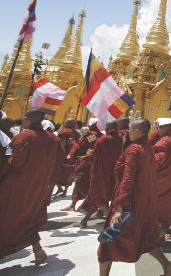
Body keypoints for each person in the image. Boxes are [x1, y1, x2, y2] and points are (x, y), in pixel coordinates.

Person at [97, 118, 171, 275]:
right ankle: (167, 265)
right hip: (143, 202)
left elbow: (128, 179)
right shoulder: (147, 148)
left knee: (109, 241)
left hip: (129, 203)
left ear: (138, 131)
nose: (128, 132)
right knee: (145, 238)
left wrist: (119, 207)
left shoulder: (134, 150)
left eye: (130, 129)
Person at [0, 109, 61, 264]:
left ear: (26, 120)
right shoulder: (53, 138)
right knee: (28, 217)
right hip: (39, 186)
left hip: (16, 186)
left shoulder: (25, 136)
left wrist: (4, 166)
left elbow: (16, 162)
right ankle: (38, 249)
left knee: (8, 218)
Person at [72, 120, 123, 227]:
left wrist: (79, 167)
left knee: (96, 195)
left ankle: (112, 218)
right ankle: (84, 221)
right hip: (114, 170)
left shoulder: (99, 138)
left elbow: (91, 152)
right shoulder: (121, 138)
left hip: (100, 170)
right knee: (96, 195)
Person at [61, 118, 103, 211]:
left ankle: (79, 204)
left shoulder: (92, 135)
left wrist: (73, 144)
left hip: (85, 162)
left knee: (79, 181)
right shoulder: (100, 135)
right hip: (91, 162)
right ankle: (74, 203)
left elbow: (84, 146)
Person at [153, 118, 171, 245]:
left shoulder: (163, 142)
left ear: (167, 128)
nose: (157, 130)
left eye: (160, 127)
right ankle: (160, 238)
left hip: (161, 181)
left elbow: (159, 159)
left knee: (156, 208)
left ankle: (156, 237)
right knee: (165, 208)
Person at [54, 118, 81, 196]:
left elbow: (62, 144)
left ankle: (60, 188)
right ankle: (64, 191)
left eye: (66, 122)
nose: (64, 123)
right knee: (69, 174)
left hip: (63, 155)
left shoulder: (64, 132)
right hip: (73, 157)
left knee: (57, 172)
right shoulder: (77, 134)